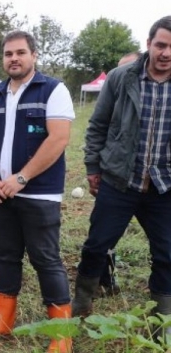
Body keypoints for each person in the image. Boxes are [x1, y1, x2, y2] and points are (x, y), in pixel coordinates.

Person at [0, 31, 75, 352]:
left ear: (33, 55)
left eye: (20, 52)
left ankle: (61, 336)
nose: (13, 58)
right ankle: (2, 321)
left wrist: (22, 178)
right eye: (8, 54)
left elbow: (58, 138)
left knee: (46, 259)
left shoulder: (53, 90)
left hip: (38, 193)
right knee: (6, 256)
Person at [72, 17, 171, 333]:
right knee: (97, 245)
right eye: (161, 45)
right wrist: (92, 168)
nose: (166, 53)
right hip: (120, 180)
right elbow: (98, 126)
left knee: (167, 254)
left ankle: (160, 324)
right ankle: (82, 304)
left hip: (164, 185)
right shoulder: (120, 78)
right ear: (149, 44)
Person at [94, 51, 141, 299]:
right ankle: (101, 280)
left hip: (152, 182)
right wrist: (96, 169)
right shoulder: (115, 89)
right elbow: (99, 128)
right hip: (115, 175)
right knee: (103, 237)